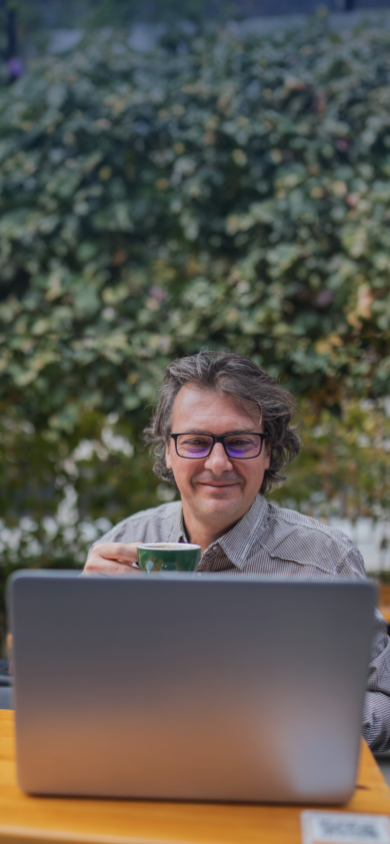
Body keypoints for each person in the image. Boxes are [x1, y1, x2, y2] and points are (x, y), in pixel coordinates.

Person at [84, 351, 390, 752]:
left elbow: (384, 702)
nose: (217, 463)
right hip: (143, 767)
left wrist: (290, 718)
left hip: (275, 776)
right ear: (169, 451)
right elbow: (70, 694)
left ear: (267, 452)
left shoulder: (325, 558)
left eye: (240, 442)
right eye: (195, 442)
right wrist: (82, 617)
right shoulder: (124, 541)